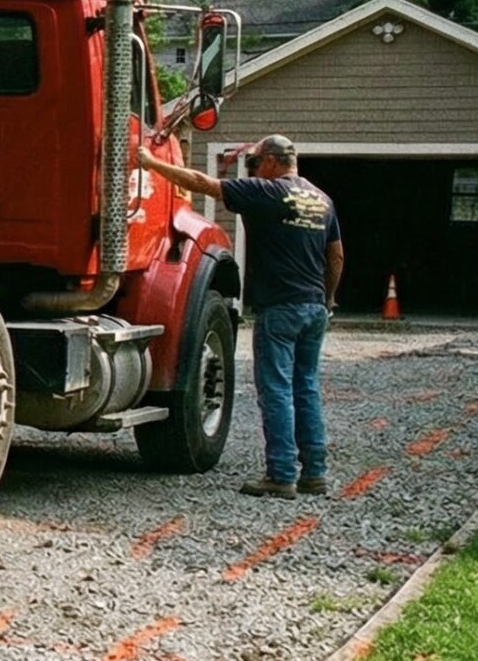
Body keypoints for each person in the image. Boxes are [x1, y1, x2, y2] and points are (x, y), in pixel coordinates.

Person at [135, 134, 344, 498]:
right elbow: (337, 255)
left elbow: (203, 184)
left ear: (271, 162)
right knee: (305, 387)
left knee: (276, 389)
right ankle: (315, 473)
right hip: (313, 308)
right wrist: (327, 299)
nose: (251, 170)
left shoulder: (266, 192)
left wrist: (151, 164)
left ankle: (280, 475)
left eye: (253, 163)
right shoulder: (322, 200)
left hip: (281, 307)